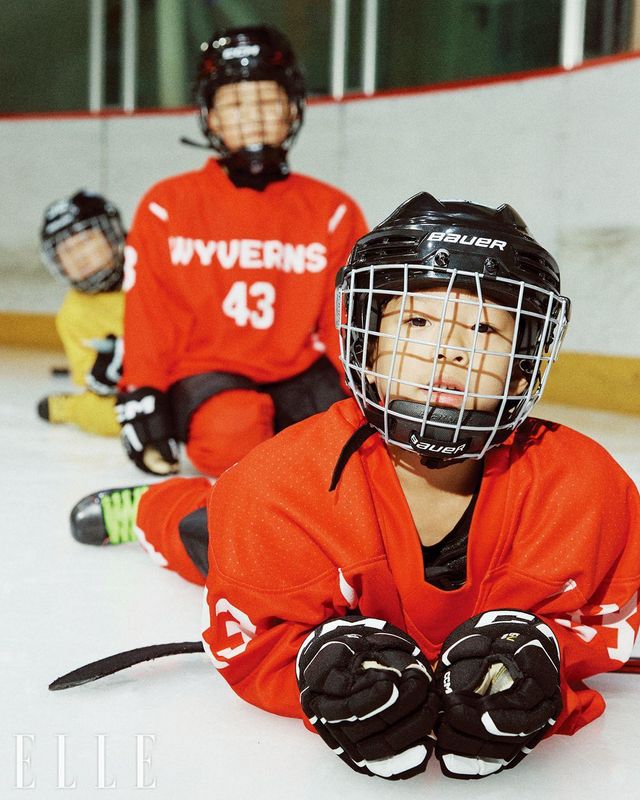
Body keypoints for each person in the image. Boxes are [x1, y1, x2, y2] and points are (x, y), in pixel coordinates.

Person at [68, 193, 640, 780]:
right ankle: (153, 508)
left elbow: (604, 623)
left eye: (484, 328)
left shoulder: (586, 491)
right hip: (284, 521)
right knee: (205, 528)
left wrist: (548, 660)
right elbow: (250, 643)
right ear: (368, 341)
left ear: (523, 361)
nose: (449, 351)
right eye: (418, 322)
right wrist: (309, 666)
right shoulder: (277, 490)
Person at [118, 24, 367, 477]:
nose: (253, 117)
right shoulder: (166, 205)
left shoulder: (333, 211)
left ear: (291, 109)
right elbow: (149, 314)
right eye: (234, 104)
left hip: (299, 370)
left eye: (268, 101)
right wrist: (141, 390)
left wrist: (367, 389)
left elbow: (344, 319)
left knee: (348, 448)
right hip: (207, 370)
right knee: (232, 434)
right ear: (210, 117)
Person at [38, 190, 125, 436]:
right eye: (66, 251)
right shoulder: (73, 315)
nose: (79, 257)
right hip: (134, 389)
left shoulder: (153, 270)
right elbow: (93, 381)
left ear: (111, 235)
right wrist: (108, 376)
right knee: (110, 416)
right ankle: (70, 408)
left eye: (86, 241)